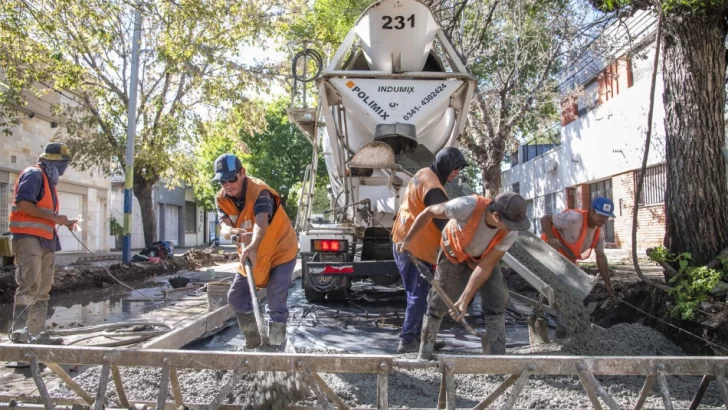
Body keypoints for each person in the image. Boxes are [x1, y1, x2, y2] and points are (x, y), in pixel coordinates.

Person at [396, 191, 530, 359]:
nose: (513, 229)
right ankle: (425, 351)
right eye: (510, 224)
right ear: (496, 216)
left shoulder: (510, 231)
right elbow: (429, 212)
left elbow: (486, 265)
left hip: (482, 257)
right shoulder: (465, 206)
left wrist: (465, 299)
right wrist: (408, 239)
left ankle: (497, 356)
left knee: (497, 296)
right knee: (440, 300)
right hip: (454, 254)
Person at [213, 153, 298, 349]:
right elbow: (224, 226)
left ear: (242, 173)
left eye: (231, 179)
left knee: (276, 297)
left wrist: (253, 244)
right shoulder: (221, 199)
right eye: (222, 181)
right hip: (252, 252)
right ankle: (254, 342)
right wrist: (232, 231)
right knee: (236, 297)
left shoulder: (260, 192)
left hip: (280, 250)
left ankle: (276, 346)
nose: (227, 185)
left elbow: (261, 223)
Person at [391, 147, 467, 353]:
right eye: (453, 168)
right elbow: (444, 223)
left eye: (459, 170)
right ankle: (408, 341)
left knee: (420, 294)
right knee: (418, 295)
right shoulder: (432, 187)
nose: (456, 173)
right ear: (444, 164)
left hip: (406, 240)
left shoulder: (424, 173)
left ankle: (422, 338)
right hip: (413, 247)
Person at [9, 143, 75, 352]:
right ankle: (20, 340)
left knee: (44, 288)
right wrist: (55, 218)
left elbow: (45, 214)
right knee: (29, 286)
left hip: (46, 240)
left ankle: (36, 335)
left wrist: (61, 221)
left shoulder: (49, 183)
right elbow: (24, 204)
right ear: (51, 161)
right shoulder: (34, 174)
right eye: (63, 163)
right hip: (28, 238)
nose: (64, 168)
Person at [540, 196, 615, 297]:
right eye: (601, 215)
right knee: (551, 288)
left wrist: (608, 283)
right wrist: (551, 237)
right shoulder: (573, 218)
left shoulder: (598, 233)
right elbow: (545, 219)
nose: (604, 220)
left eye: (607, 217)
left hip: (566, 259)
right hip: (548, 252)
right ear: (592, 211)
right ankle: (544, 309)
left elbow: (600, 256)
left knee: (570, 290)